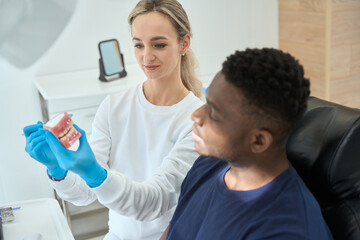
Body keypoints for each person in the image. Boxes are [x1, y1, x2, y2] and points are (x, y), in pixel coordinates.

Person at [23, 0, 204, 239]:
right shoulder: (113, 107)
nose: (146, 56)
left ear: (184, 43)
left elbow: (153, 201)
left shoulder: (198, 121)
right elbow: (87, 194)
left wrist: (95, 173)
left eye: (158, 44)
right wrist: (58, 170)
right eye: (138, 45)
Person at [161, 48, 334, 239]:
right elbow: (173, 231)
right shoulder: (208, 163)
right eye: (206, 101)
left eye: (215, 113)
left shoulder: (289, 230)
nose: (196, 115)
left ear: (258, 141)